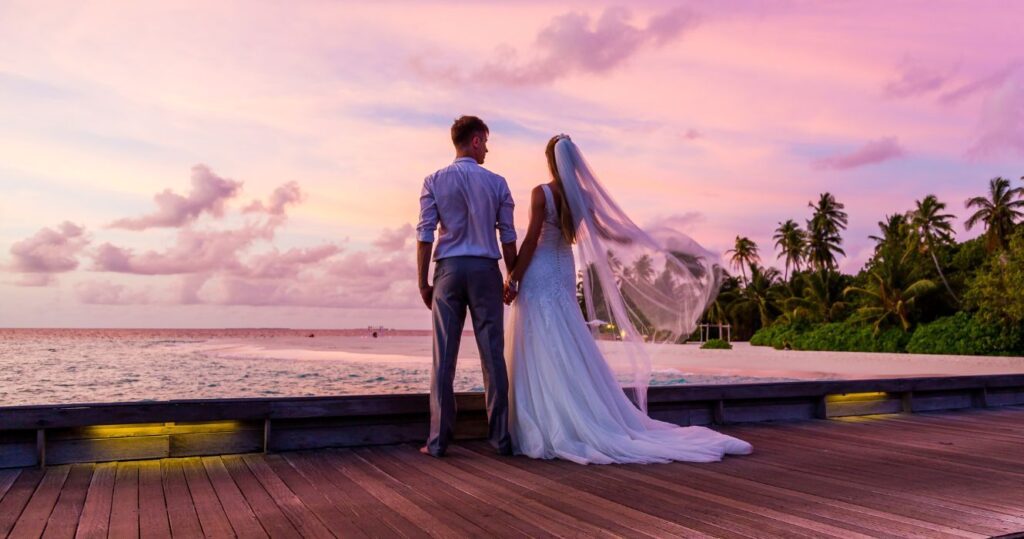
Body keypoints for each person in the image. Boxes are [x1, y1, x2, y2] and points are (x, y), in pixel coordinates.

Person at [503, 134, 752, 464]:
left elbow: (532, 239)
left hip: (541, 270)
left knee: (539, 340)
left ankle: (548, 416)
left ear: (550, 160)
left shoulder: (542, 193)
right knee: (566, 338)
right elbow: (605, 234)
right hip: (564, 273)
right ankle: (579, 408)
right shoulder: (583, 198)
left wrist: (513, 277)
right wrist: (640, 239)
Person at [415, 115, 518, 457]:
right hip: (486, 270)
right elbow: (508, 235)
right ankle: (500, 439)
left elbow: (425, 233)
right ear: (475, 140)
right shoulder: (498, 183)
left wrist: (423, 281)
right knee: (493, 356)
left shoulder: (434, 181)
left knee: (443, 357)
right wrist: (512, 276)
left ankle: (439, 441)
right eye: (485, 141)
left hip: (449, 271)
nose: (487, 148)